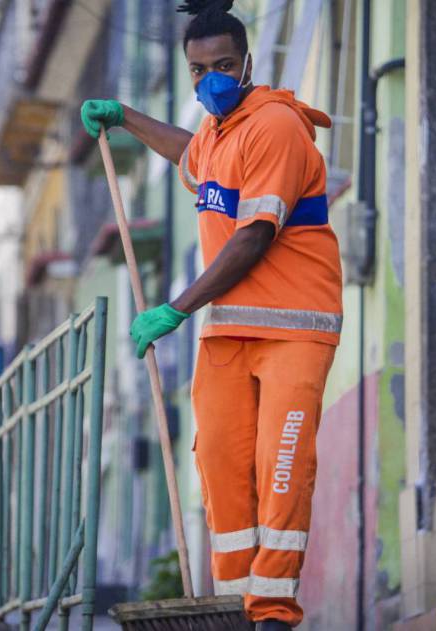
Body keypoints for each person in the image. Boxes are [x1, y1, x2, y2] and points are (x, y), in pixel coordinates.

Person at [80, 1, 343, 628]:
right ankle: (231, 612)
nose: (211, 80)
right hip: (229, 332)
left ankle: (271, 615)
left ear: (248, 61)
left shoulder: (275, 126)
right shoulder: (219, 136)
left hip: (293, 331)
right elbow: (188, 154)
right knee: (221, 471)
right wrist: (124, 117)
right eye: (198, 71)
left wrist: (175, 309)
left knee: (280, 475)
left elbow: (253, 237)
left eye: (224, 65)